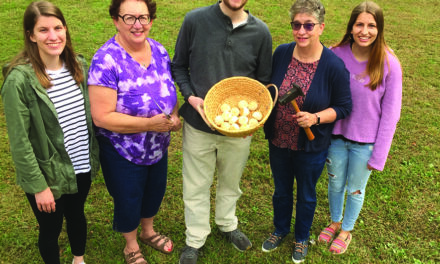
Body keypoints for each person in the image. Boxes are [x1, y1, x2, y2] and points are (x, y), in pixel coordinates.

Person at [171, 0, 272, 263]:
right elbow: (179, 66)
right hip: (198, 123)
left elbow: (262, 81)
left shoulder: (261, 32)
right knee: (195, 184)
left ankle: (227, 223)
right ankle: (195, 238)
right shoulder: (194, 21)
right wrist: (191, 97)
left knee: (231, 182)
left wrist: (253, 118)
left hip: (239, 131)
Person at [0, 1, 100, 264]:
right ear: (31, 35)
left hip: (80, 165)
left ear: (66, 29)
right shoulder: (19, 80)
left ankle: (79, 259)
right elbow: (20, 143)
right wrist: (38, 186)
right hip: (48, 175)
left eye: (58, 27)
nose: (53, 36)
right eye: (43, 30)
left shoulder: (78, 66)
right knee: (51, 228)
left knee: (77, 214)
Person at [87, 0, 181, 263]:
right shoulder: (105, 60)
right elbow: (102, 117)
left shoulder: (160, 51)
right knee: (128, 197)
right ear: (116, 20)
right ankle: (131, 245)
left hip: (158, 145)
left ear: (151, 20)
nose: (138, 25)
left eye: (144, 17)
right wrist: (149, 124)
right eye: (129, 18)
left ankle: (148, 231)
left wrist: (173, 116)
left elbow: (170, 93)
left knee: (155, 191)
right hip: (122, 150)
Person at [261, 0, 352, 262]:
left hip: (311, 146)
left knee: (306, 194)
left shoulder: (333, 65)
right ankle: (280, 229)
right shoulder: (281, 53)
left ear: (321, 27)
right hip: (279, 140)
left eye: (308, 25)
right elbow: (270, 89)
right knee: (281, 190)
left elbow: (344, 107)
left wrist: (315, 118)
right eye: (296, 25)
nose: (302, 31)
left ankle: (301, 237)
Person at [317, 1, 402, 255]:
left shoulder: (389, 64)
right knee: (334, 184)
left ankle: (347, 229)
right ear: (351, 27)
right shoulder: (334, 54)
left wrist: (380, 155)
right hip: (335, 138)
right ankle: (334, 221)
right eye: (359, 24)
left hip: (366, 144)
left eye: (371, 25)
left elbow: (390, 116)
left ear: (380, 29)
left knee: (355, 188)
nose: (365, 31)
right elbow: (322, 93)